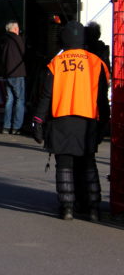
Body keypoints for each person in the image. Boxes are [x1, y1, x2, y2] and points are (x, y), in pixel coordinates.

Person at [32, 20, 110, 221]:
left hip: (62, 119)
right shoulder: (96, 62)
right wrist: (104, 123)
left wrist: (38, 121)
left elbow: (46, 96)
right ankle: (93, 208)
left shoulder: (56, 63)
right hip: (88, 119)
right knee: (88, 164)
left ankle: (67, 207)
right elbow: (102, 98)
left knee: (64, 165)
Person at [1, 20, 26, 134]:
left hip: (7, 74)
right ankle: (16, 127)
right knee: (20, 100)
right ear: (15, 29)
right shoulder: (17, 39)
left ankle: (6, 126)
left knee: (9, 100)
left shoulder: (4, 40)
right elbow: (24, 54)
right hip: (17, 73)